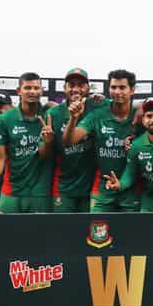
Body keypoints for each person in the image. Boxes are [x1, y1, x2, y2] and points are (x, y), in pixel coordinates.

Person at [63, 69, 141, 212]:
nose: (117, 92)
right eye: (113, 87)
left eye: (122, 87)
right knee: (96, 233)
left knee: (132, 233)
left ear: (132, 90)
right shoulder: (98, 115)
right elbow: (69, 141)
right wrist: (73, 118)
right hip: (102, 190)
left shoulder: (140, 115)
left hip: (131, 190)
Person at [0, 73, 54, 217]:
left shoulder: (50, 115)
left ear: (42, 91)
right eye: (27, 88)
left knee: (42, 238)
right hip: (11, 192)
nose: (32, 91)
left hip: (40, 193)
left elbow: (44, 155)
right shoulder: (5, 119)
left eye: (36, 88)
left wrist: (48, 142)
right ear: (18, 91)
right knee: (7, 238)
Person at [46, 68, 103, 213]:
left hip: (90, 187)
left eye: (81, 85)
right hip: (63, 187)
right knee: (62, 233)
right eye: (71, 85)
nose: (76, 89)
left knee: (87, 233)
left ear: (88, 88)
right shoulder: (53, 114)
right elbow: (45, 155)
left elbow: (130, 106)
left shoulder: (97, 107)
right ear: (64, 88)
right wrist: (47, 142)